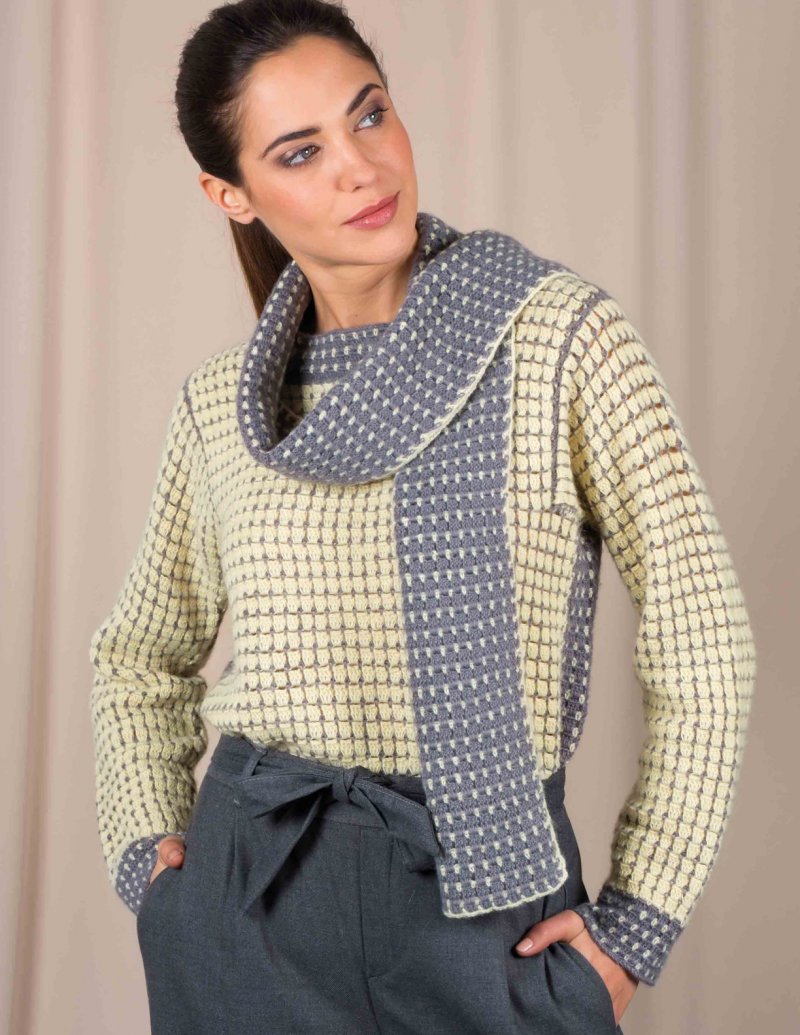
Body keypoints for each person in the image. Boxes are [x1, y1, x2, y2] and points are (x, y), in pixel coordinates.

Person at [88, 1, 757, 1033]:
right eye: (300, 152)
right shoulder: (219, 406)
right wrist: (153, 862)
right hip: (245, 906)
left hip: (488, 913)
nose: (361, 167)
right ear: (231, 194)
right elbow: (140, 658)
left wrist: (634, 926)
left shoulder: (558, 340)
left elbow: (701, 637)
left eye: (369, 115)